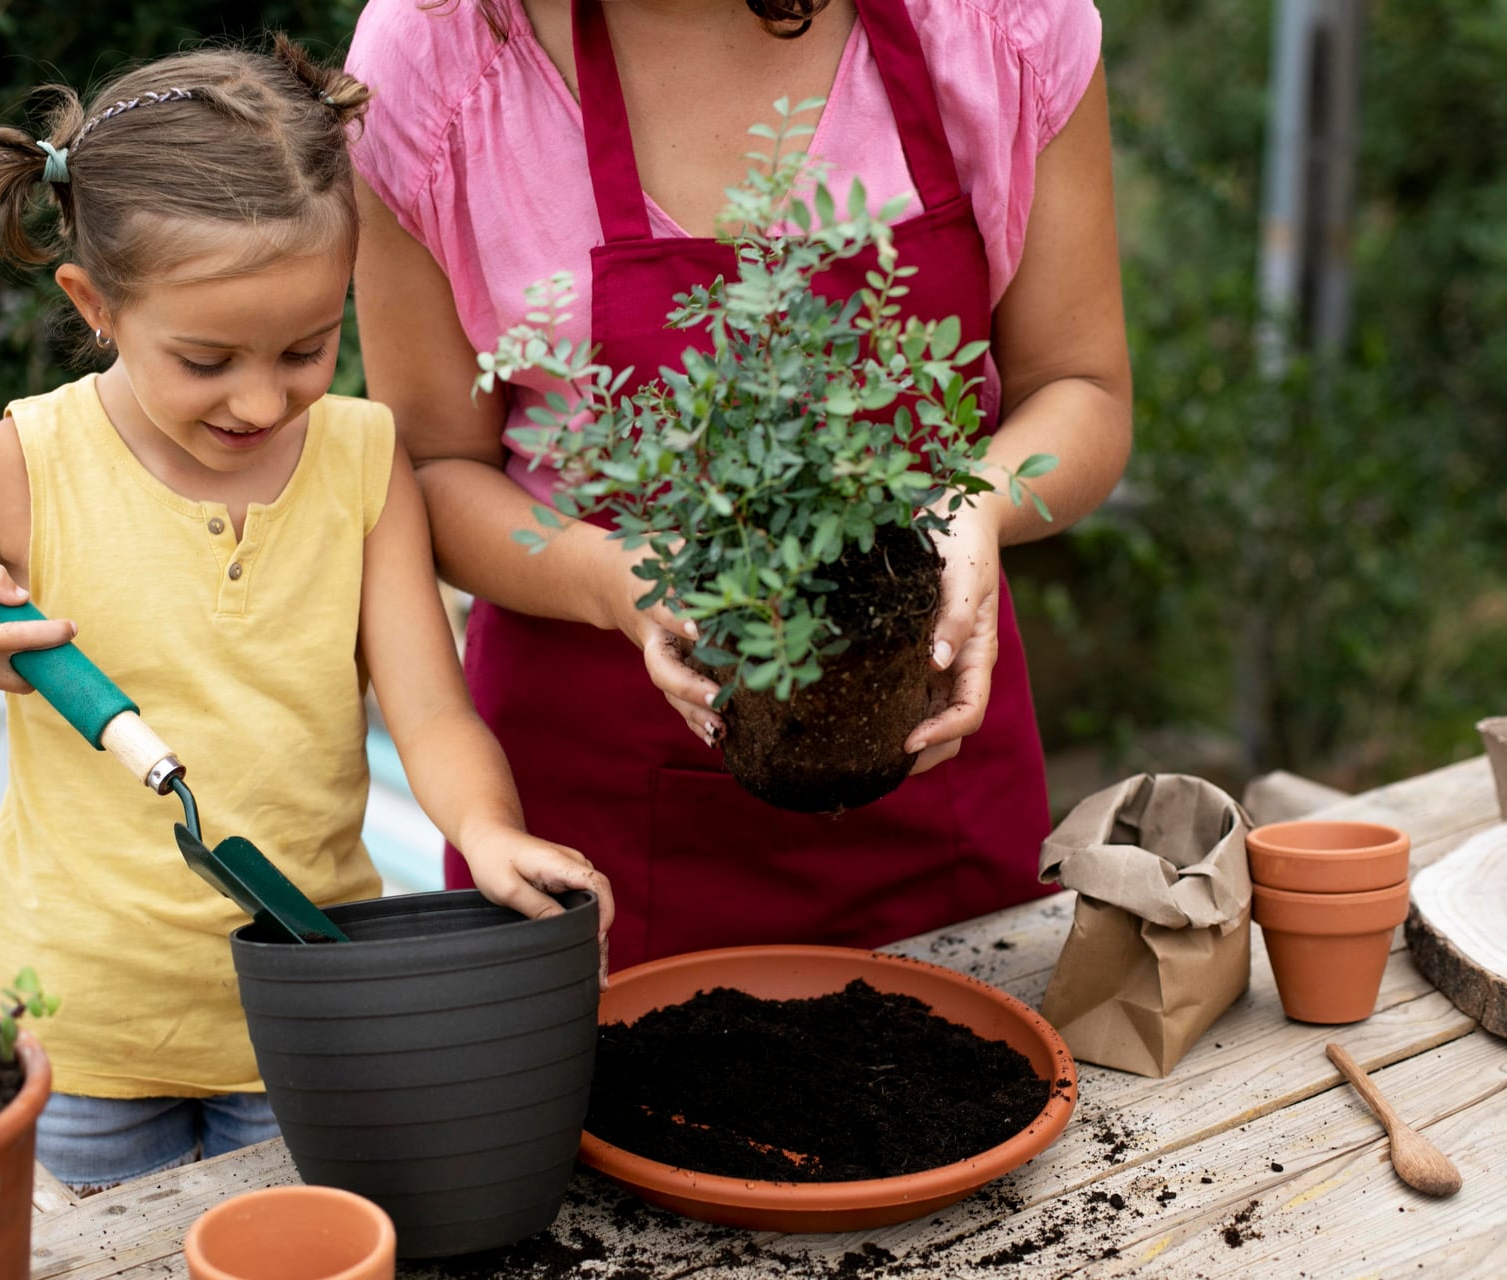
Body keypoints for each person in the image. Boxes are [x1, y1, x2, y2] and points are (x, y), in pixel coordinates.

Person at [0, 39, 614, 1193]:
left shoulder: (362, 462)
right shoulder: (20, 468)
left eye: (306, 347)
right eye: (206, 359)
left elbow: (434, 715)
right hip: (84, 1045)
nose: (261, 398)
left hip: (308, 1016)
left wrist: (489, 832)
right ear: (94, 305)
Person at [346, 0, 1132, 969]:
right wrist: (613, 575)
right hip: (593, 835)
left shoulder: (993, 22)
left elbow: (1082, 390)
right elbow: (432, 467)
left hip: (930, 793)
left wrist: (974, 501)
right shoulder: (442, 50)